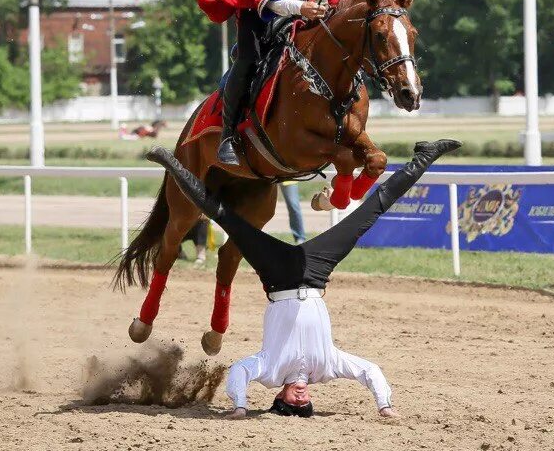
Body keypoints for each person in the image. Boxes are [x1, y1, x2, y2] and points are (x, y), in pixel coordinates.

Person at [142, 139, 461, 419]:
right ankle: (425, 155)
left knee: (221, 214)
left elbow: (239, 371)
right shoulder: (329, 367)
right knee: (371, 212)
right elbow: (369, 371)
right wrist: (385, 405)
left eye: (292, 405)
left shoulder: (270, 370)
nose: (300, 400)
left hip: (276, 275)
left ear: (280, 397)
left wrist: (239, 405)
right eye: (304, 406)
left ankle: (172, 164)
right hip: (315, 273)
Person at [193, 0, 362, 166]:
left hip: (299, 11)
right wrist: (302, 7)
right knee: (249, 60)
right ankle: (228, 136)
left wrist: (339, 12)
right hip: (258, 11)